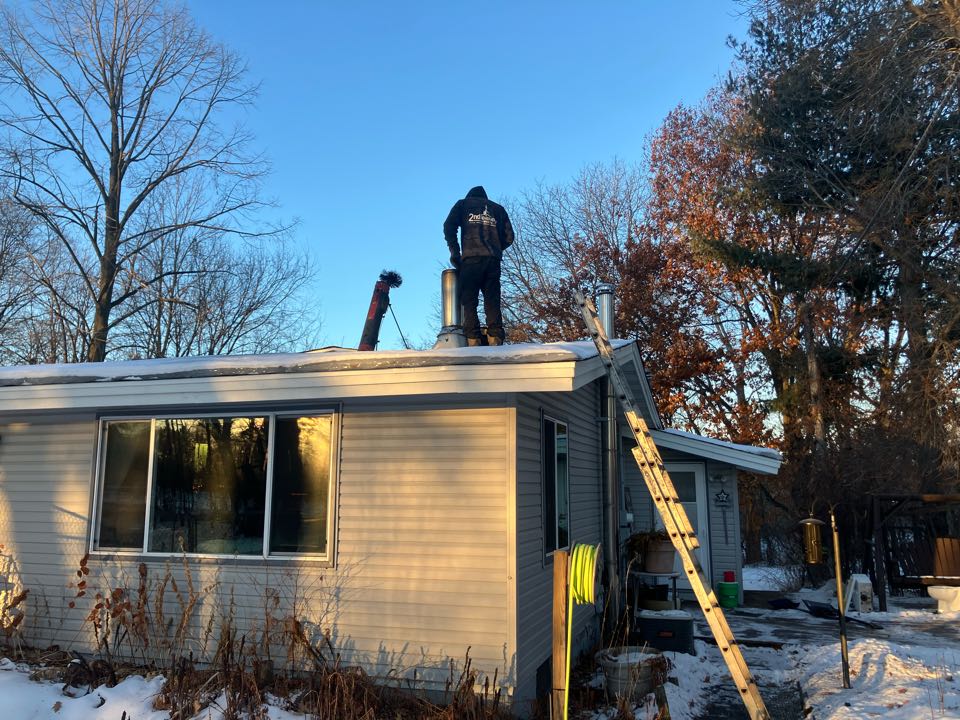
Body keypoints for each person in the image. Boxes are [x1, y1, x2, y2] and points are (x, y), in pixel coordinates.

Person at [443, 185, 515, 346]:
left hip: (471, 258)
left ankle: (472, 339)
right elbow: (509, 237)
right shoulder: (498, 209)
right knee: (492, 299)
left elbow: (448, 227)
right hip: (493, 260)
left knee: (469, 300)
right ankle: (495, 338)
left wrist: (455, 252)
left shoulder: (462, 205)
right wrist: (495, 248)